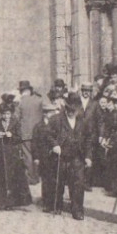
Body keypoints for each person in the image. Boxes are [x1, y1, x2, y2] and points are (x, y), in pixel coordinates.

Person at [0, 99, 32, 211]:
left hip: (11, 154)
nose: (6, 116)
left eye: (8, 113)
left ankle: (10, 202)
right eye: (4, 114)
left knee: (11, 178)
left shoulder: (16, 123)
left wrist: (11, 135)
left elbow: (20, 138)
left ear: (11, 114)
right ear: (1, 114)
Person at [51, 92, 93, 220]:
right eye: (69, 109)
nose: (71, 112)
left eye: (74, 110)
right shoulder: (56, 120)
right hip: (61, 157)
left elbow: (88, 140)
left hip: (77, 157)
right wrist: (54, 145)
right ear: (66, 108)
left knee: (78, 185)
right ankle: (57, 206)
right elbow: (48, 135)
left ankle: (77, 211)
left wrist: (88, 156)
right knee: (59, 183)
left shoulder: (83, 121)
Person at [31, 101, 60, 212]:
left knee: (55, 180)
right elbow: (34, 143)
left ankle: (56, 203)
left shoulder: (57, 126)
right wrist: (36, 157)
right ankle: (47, 203)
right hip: (44, 157)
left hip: (55, 156)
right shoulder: (38, 127)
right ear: (45, 114)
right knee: (46, 181)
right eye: (51, 113)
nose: (53, 115)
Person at [18, 80, 43, 185]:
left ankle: (31, 178)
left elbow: (17, 118)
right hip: (38, 132)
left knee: (28, 156)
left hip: (25, 133)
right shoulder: (38, 100)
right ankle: (37, 177)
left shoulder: (20, 102)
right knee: (38, 155)